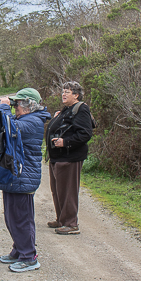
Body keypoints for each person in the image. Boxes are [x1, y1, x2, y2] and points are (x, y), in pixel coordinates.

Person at [0, 88, 51, 271]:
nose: (15, 108)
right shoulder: (25, 118)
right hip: (16, 176)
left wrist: (4, 109)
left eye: (17, 104)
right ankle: (18, 250)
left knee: (22, 219)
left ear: (29, 106)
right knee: (12, 218)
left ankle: (29, 256)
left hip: (24, 177)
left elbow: (11, 129)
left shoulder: (34, 121)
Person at [45, 81, 94, 235]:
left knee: (68, 192)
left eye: (68, 91)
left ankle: (71, 224)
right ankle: (61, 219)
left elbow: (85, 133)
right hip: (57, 158)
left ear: (76, 95)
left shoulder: (81, 109)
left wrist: (65, 142)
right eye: (63, 91)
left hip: (69, 158)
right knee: (58, 191)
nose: (63, 94)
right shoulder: (67, 110)